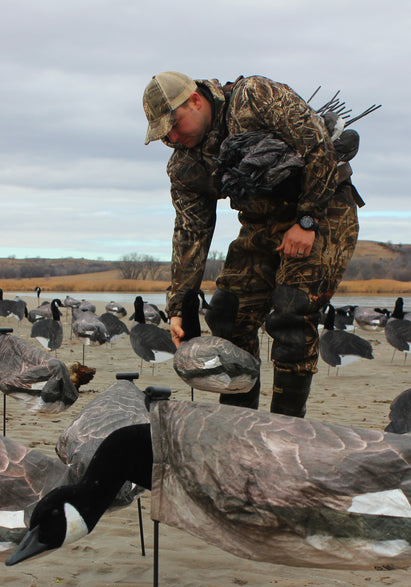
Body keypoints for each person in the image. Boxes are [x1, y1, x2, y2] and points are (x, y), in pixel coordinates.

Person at [143, 71, 365, 417]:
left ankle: (285, 428)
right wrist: (178, 306)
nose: (171, 137)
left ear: (195, 100)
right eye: (162, 135)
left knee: (292, 313)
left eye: (173, 125)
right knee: (228, 313)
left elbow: (319, 146)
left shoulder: (254, 97)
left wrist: (307, 221)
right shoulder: (185, 165)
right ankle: (238, 421)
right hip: (261, 221)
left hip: (323, 206)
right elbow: (191, 232)